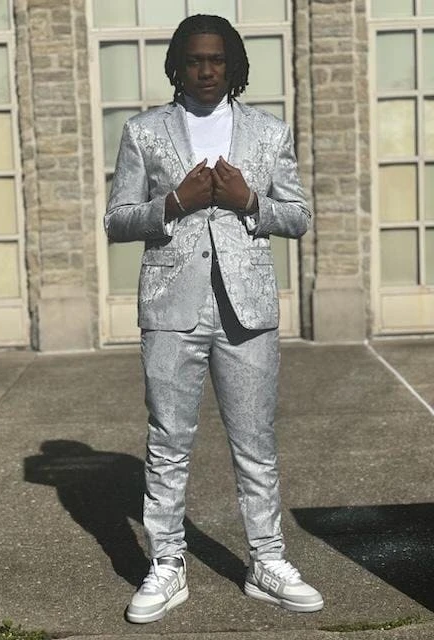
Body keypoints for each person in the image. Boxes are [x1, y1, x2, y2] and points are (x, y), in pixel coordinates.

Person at [104, 13, 323, 624]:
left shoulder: (268, 132)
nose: (206, 70)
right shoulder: (144, 132)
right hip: (171, 307)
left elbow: (299, 216)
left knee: (256, 444)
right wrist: (175, 203)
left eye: (217, 59)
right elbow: (117, 219)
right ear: (178, 65)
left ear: (235, 66)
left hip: (246, 308)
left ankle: (267, 562)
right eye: (195, 60)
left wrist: (248, 200)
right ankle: (166, 563)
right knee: (168, 442)